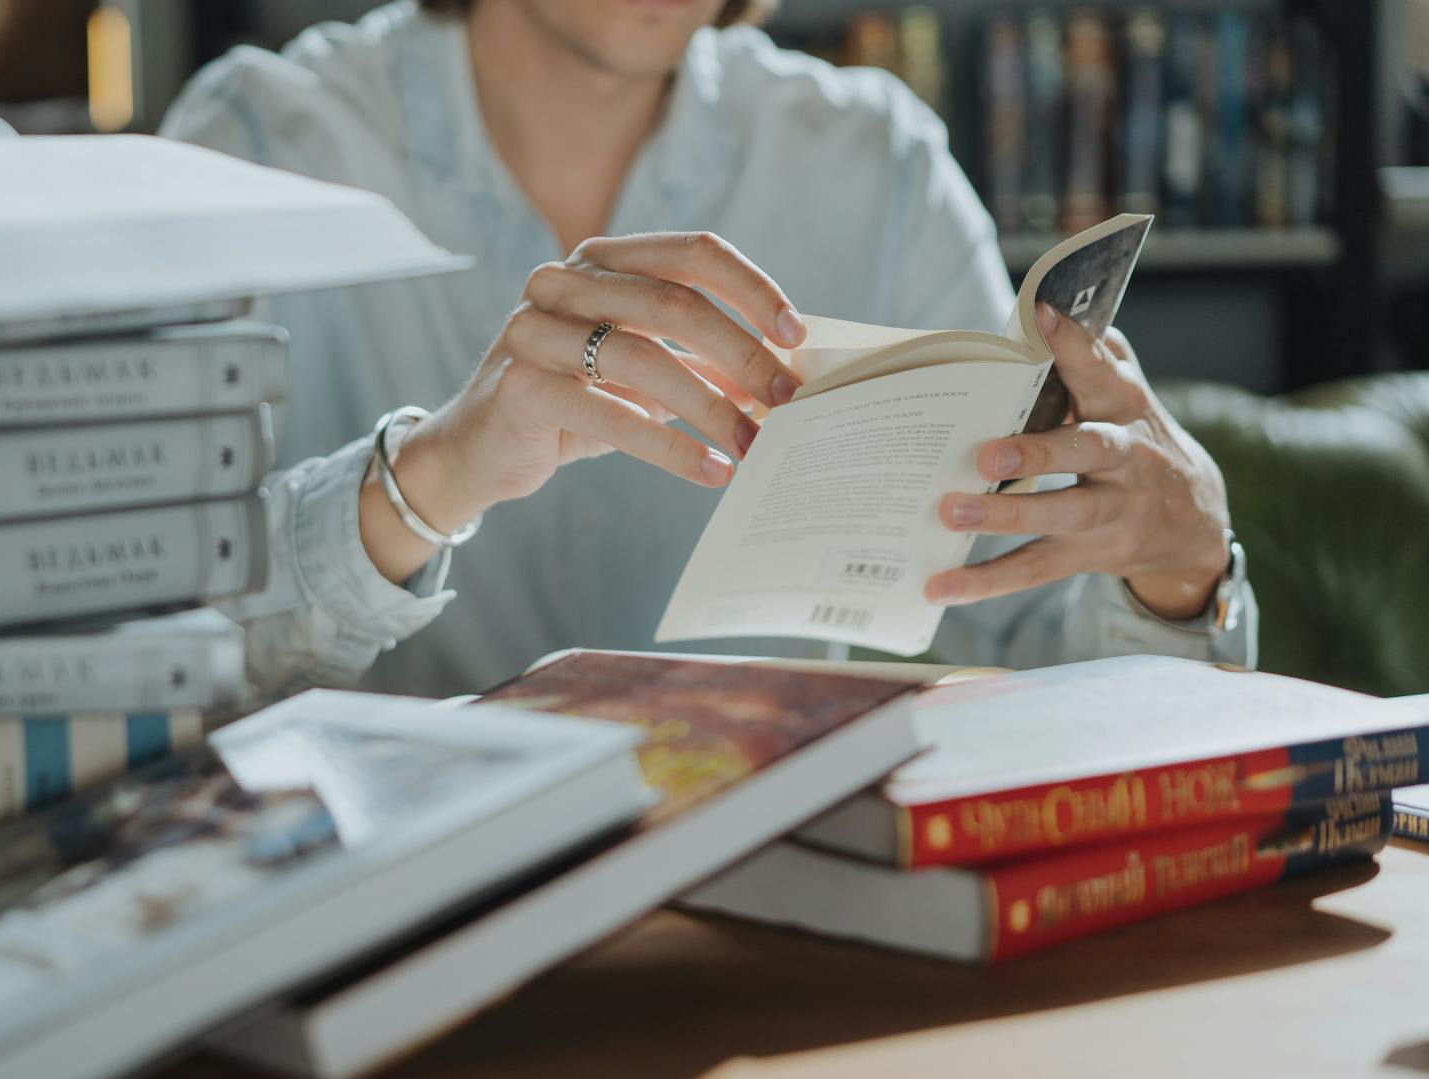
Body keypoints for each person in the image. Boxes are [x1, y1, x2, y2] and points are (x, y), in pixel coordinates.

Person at [161, 0, 1254, 698]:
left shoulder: (880, 170)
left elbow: (1026, 650)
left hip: (782, 933)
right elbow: (133, 656)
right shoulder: (256, 148)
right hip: (373, 924)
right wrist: (427, 476)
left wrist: (1180, 582)